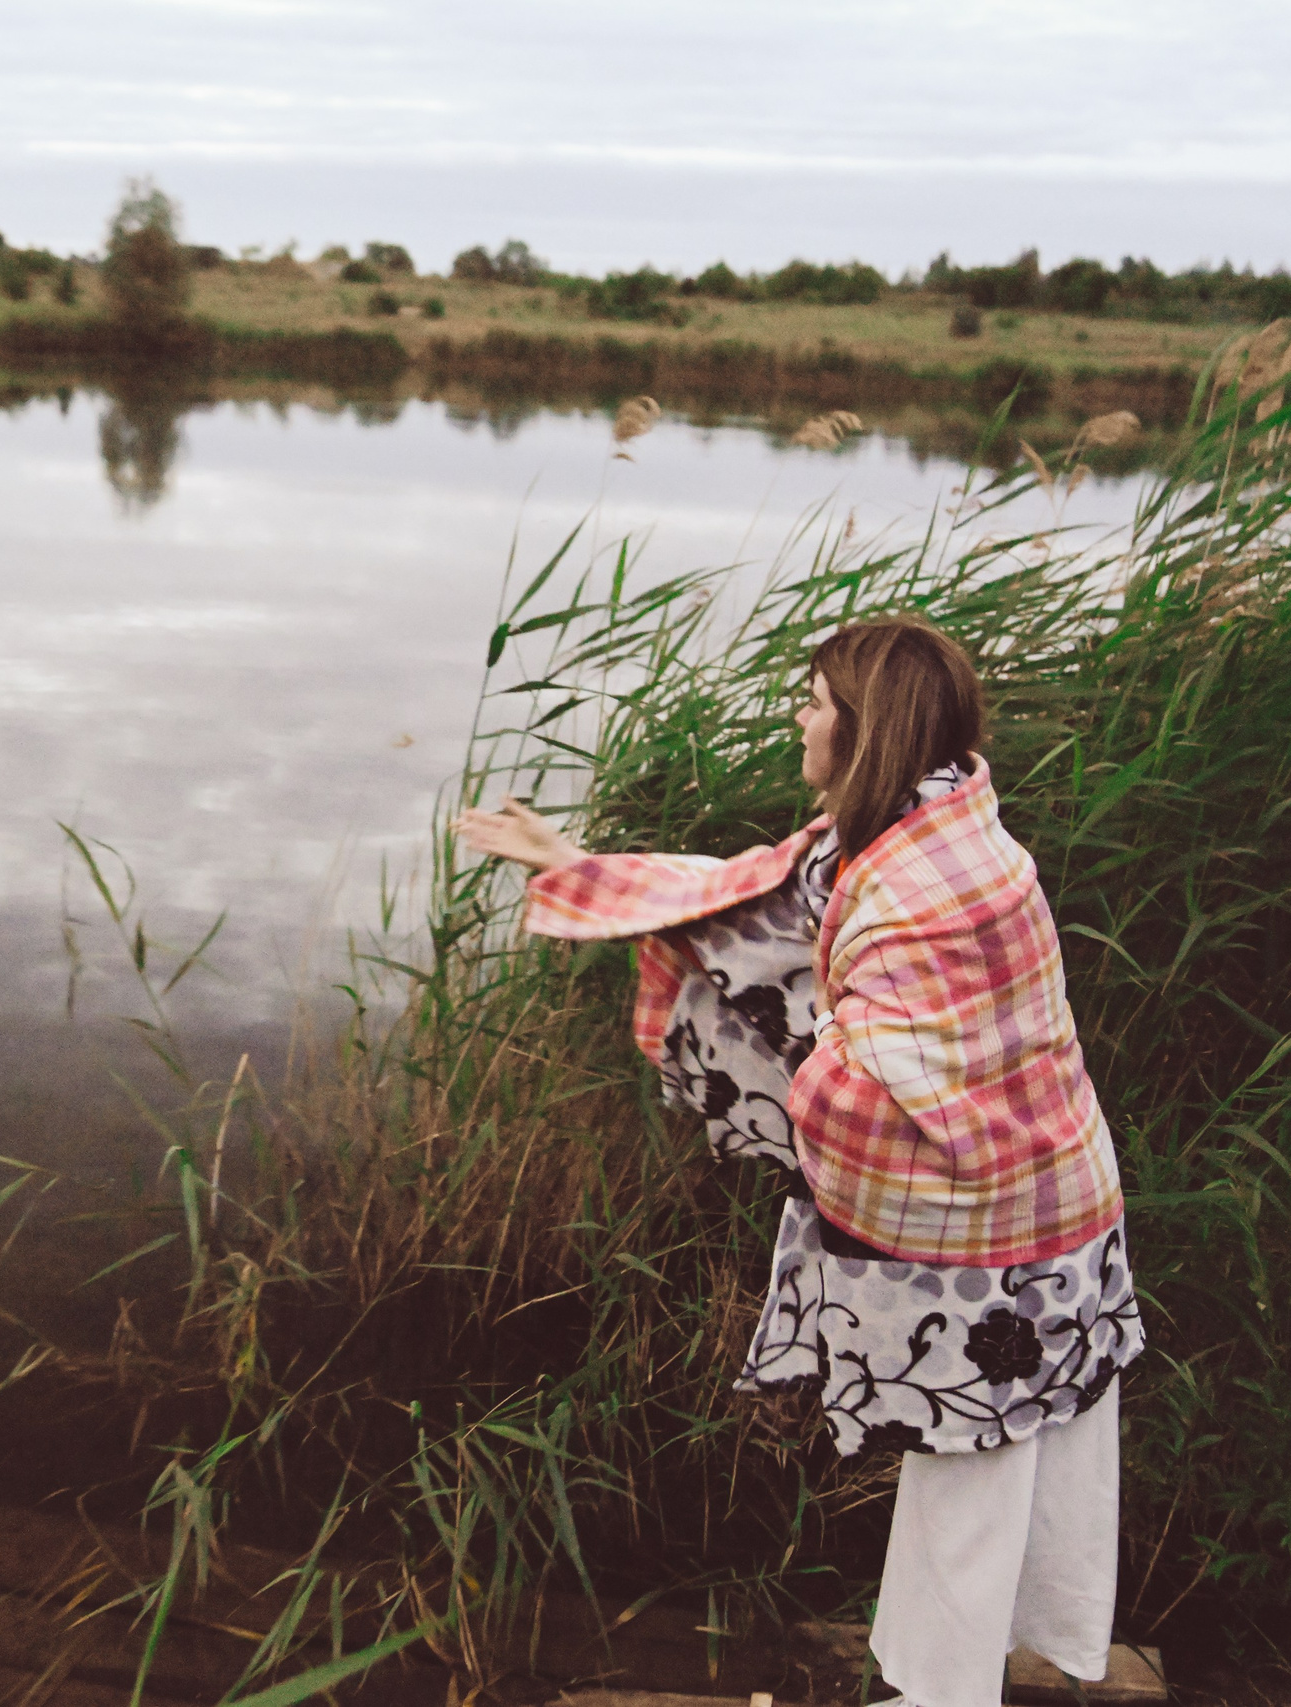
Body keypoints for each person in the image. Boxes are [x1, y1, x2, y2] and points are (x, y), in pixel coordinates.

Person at [453, 616, 1142, 1707]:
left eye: (814, 701)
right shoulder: (919, 828)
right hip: (1049, 1200)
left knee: (971, 1483)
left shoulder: (926, 887)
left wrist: (806, 1080)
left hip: (1004, 1229)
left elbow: (883, 1075)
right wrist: (576, 866)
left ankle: (942, 1694)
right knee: (1022, 1454)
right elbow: (752, 902)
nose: (798, 715)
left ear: (863, 731)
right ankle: (1020, 1662)